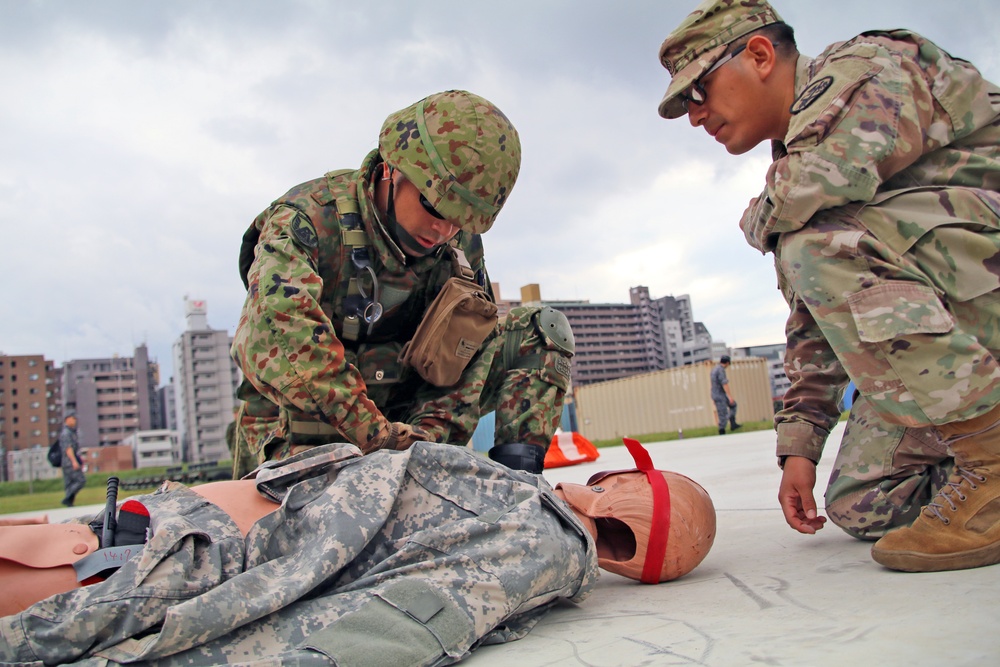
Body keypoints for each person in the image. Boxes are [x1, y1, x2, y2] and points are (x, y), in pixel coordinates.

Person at [656, 0, 1000, 572]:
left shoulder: (865, 67)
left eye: (699, 92)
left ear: (760, 55)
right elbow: (819, 311)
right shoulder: (801, 155)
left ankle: (992, 465)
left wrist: (757, 220)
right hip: (965, 313)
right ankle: (975, 452)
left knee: (810, 245)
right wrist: (801, 442)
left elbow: (808, 198)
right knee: (864, 505)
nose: (696, 116)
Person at [0, 440, 716, 664]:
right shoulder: (528, 510)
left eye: (610, 478)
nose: (595, 479)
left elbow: (391, 630)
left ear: (619, 493)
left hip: (159, 566)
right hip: (158, 534)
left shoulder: (537, 544)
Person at [232, 90, 574, 476]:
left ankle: (521, 485)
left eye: (461, 220)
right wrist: (381, 440)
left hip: (406, 433)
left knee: (540, 330)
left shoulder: (458, 249)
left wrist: (426, 449)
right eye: (434, 206)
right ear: (392, 169)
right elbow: (289, 345)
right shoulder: (307, 223)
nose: (443, 229)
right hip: (303, 442)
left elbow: (463, 361)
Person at [59, 412, 85, 507]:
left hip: (67, 462)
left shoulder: (71, 432)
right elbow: (68, 449)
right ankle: (67, 497)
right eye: (73, 418)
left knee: (69, 483)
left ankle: (69, 501)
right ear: (67, 419)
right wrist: (74, 462)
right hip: (69, 462)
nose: (75, 420)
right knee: (80, 480)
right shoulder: (66, 433)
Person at [710, 355, 741, 435]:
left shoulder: (714, 369)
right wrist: (730, 396)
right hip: (720, 395)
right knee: (723, 413)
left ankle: (732, 422)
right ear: (727, 363)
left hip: (715, 394)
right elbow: (724, 383)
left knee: (733, 406)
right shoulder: (720, 370)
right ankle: (722, 429)